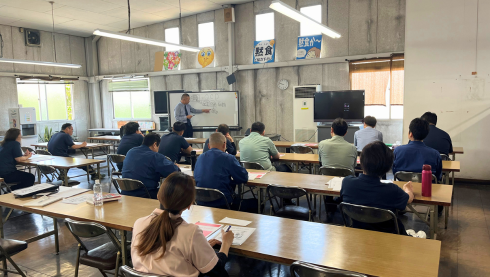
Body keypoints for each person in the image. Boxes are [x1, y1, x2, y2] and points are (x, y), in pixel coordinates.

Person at [131, 172, 234, 277]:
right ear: (189, 205)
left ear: (158, 195)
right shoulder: (191, 233)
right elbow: (216, 270)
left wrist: (200, 247)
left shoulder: (139, 223)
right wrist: (226, 243)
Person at [340, 141, 415, 235]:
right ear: (387, 168)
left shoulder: (347, 183)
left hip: (357, 234)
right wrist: (407, 189)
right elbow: (409, 199)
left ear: (361, 161)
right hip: (388, 238)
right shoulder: (392, 190)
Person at [195, 133, 254, 211]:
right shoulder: (228, 158)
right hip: (222, 202)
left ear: (208, 146)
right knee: (252, 204)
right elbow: (243, 177)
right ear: (224, 145)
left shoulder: (200, 157)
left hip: (201, 201)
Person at [122, 133, 180, 199]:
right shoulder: (155, 156)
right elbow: (174, 172)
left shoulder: (130, 151)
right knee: (173, 192)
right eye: (158, 146)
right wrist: (176, 166)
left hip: (125, 193)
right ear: (155, 144)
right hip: (145, 194)